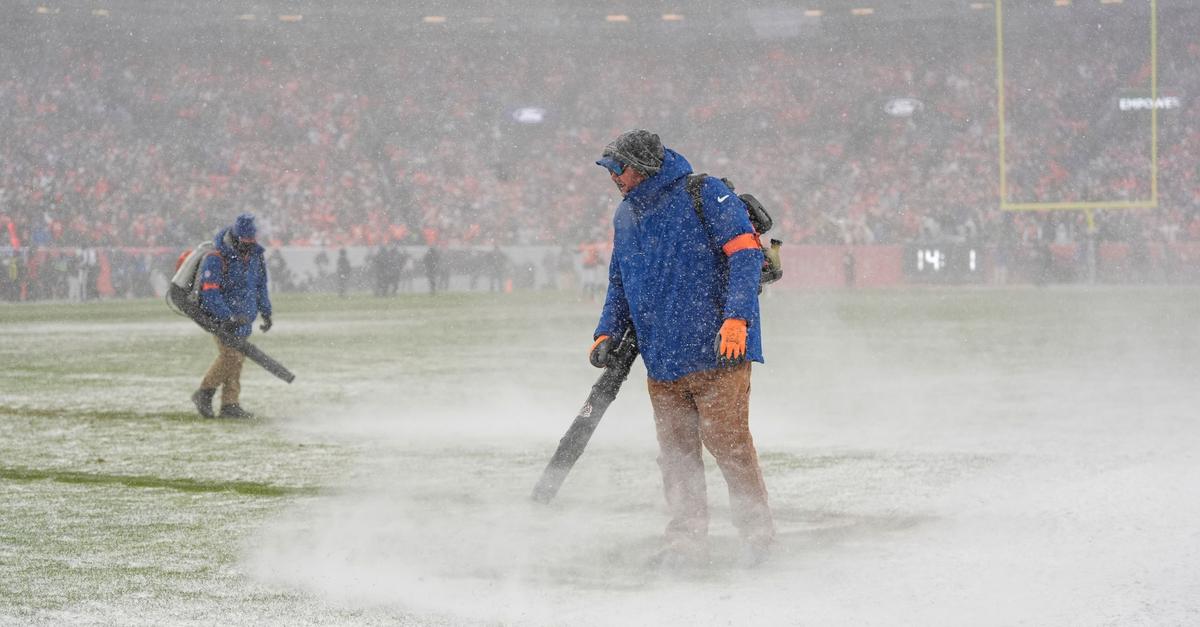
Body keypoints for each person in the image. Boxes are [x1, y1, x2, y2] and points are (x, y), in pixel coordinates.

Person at [589, 130, 774, 568]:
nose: (614, 176)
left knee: (730, 448)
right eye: (610, 169)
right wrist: (605, 332)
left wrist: (737, 319)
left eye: (620, 168)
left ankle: (758, 541)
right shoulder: (626, 215)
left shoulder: (705, 194)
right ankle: (685, 544)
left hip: (717, 354)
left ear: (645, 166)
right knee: (675, 457)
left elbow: (746, 255)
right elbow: (620, 281)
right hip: (662, 360)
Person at [190, 213, 273, 419]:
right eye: (244, 242)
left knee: (237, 360)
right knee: (231, 356)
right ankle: (204, 392)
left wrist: (266, 311)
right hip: (222, 320)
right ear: (235, 237)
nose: (247, 246)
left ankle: (230, 404)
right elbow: (210, 292)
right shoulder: (216, 257)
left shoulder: (255, 255)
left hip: (245, 318)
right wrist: (226, 317)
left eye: (250, 242)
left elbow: (260, 285)